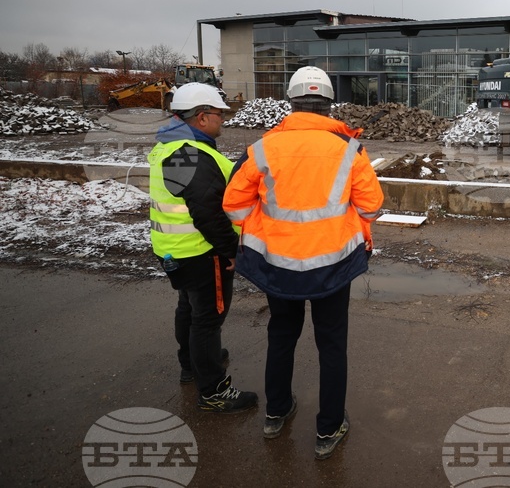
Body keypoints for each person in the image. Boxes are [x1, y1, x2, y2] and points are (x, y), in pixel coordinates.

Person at [223, 66, 383, 460]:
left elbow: (234, 205)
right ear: (329, 105)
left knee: (281, 335)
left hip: (278, 267)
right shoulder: (349, 149)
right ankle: (328, 429)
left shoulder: (262, 149)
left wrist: (266, 232)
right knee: (332, 345)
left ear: (291, 103)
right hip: (333, 266)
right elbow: (372, 205)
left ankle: (276, 412)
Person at [148, 82, 258, 414]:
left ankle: (190, 365)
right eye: (219, 113)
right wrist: (230, 251)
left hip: (175, 249)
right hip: (200, 250)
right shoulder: (188, 154)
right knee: (208, 319)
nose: (223, 119)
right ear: (202, 117)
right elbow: (207, 212)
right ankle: (212, 390)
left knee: (190, 309)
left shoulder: (171, 147)